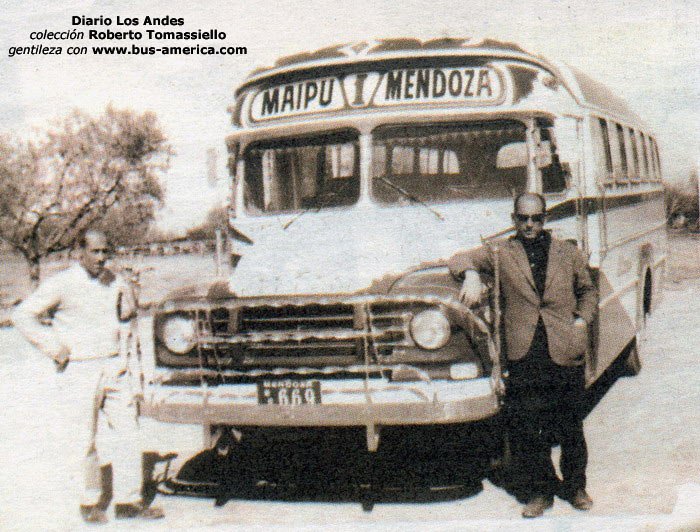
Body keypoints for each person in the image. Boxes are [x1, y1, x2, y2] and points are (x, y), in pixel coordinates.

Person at [449, 192, 598, 518]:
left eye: (536, 218)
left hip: (564, 349)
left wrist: (581, 320)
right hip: (524, 353)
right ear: (514, 219)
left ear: (545, 219)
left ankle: (576, 487)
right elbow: (459, 258)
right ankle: (540, 492)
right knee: (530, 429)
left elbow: (588, 290)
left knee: (571, 425)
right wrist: (472, 275)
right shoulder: (501, 253)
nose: (530, 224)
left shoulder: (567, 252)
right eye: (523, 218)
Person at [12, 229, 163, 523]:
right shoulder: (62, 283)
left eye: (105, 252)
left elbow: (127, 315)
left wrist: (132, 289)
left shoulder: (113, 279)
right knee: (84, 439)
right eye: (95, 252)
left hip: (113, 366)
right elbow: (22, 315)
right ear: (79, 252)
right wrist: (54, 348)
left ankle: (129, 501)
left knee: (129, 433)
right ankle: (88, 503)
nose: (101, 258)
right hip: (79, 369)